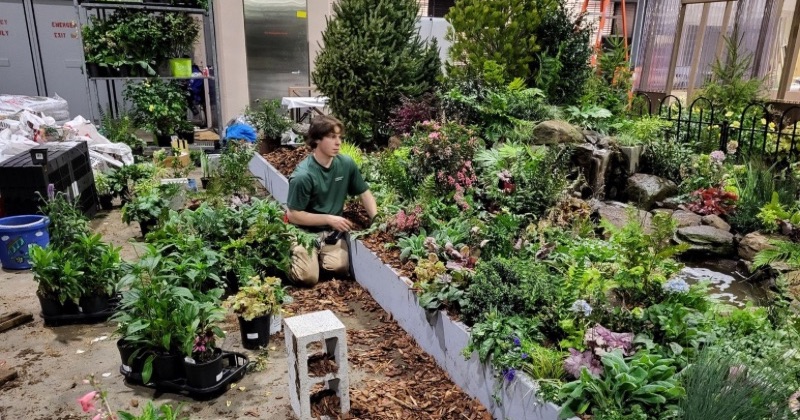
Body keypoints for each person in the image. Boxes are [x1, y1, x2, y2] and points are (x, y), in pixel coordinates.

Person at [286, 116, 377, 286]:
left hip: (330, 234)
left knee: (339, 268)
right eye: (332, 137)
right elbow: (293, 215)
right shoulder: (303, 175)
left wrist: (376, 219)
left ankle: (314, 257)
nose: (338, 142)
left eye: (339, 137)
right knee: (308, 277)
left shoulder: (346, 164)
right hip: (303, 232)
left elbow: (364, 192)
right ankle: (293, 254)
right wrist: (328, 218)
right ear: (317, 140)